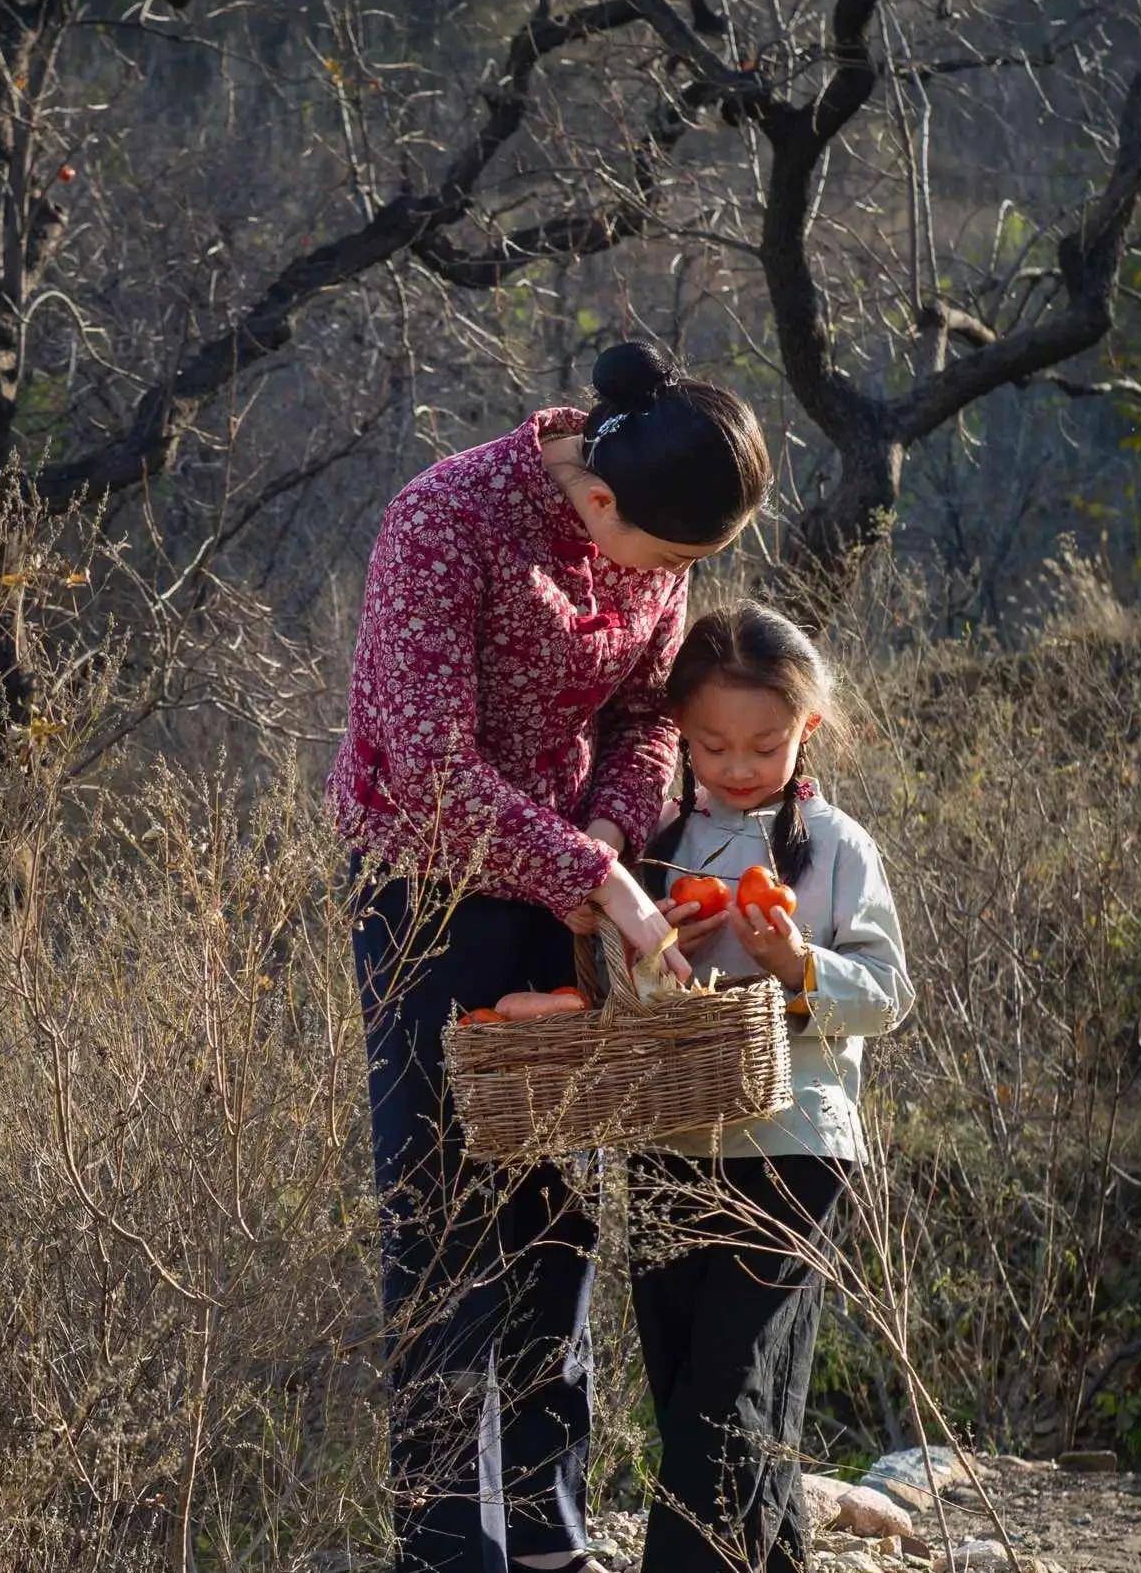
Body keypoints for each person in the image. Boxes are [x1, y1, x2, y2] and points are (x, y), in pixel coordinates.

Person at [332, 341, 770, 1573]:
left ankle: (546, 1534)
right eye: (667, 560)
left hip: (576, 894)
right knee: (442, 1215)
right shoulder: (445, 520)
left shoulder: (658, 527)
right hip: (427, 891)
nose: (674, 583)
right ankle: (447, 1546)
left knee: (557, 1214)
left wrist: (612, 837)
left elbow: (643, 718)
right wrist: (600, 881)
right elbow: (427, 762)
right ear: (599, 497)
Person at [627, 602, 911, 1572]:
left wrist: (798, 967)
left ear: (807, 728)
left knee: (730, 1391)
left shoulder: (836, 847)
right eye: (712, 746)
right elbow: (615, 1002)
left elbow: (888, 996)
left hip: (794, 1145)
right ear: (679, 734)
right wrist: (654, 953)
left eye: (764, 744)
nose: (738, 766)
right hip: (669, 1142)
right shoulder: (657, 848)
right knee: (691, 1391)